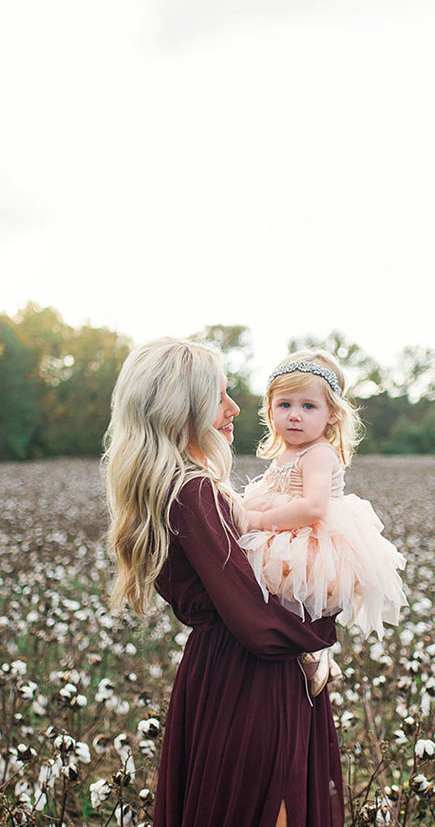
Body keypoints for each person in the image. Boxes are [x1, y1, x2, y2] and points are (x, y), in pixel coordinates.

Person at [103, 337, 344, 827]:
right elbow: (252, 615)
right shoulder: (194, 491)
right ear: (182, 409)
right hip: (252, 677)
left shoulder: (173, 485)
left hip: (218, 669)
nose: (235, 408)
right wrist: (316, 639)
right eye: (219, 397)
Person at [235, 349, 407, 696]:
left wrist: (260, 519)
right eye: (284, 405)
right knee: (273, 595)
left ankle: (315, 650)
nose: (294, 415)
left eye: (308, 406)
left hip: (310, 536)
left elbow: (313, 507)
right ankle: (311, 650)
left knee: (299, 595)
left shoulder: (319, 453)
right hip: (285, 529)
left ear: (332, 414)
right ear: (270, 409)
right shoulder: (288, 449)